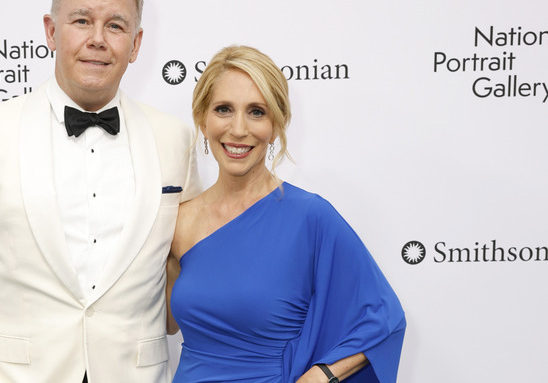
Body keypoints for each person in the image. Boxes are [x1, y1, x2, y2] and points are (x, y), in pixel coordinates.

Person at [0, 0, 200, 383]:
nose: (98, 39)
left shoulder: (175, 139)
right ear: (51, 31)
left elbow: (194, 265)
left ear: (137, 43)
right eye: (82, 21)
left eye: (115, 25)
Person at [166, 45, 406, 383]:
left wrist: (323, 375)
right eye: (223, 109)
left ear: (277, 126)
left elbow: (385, 318)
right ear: (202, 121)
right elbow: (166, 323)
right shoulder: (178, 221)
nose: (238, 129)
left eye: (256, 112)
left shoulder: (309, 217)